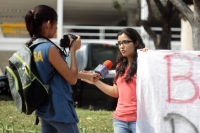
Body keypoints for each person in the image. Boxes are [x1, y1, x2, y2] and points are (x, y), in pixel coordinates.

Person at [24, 5, 100, 133]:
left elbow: (56, 73)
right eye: (56, 23)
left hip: (44, 107)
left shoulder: (32, 47)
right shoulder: (49, 48)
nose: (57, 27)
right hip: (59, 109)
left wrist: (87, 76)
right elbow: (71, 79)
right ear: (48, 24)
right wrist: (73, 50)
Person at [81, 28, 148, 133]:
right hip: (120, 120)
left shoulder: (144, 64)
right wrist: (95, 81)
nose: (122, 46)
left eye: (125, 42)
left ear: (136, 43)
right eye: (119, 43)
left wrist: (148, 55)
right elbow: (116, 92)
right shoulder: (120, 66)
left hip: (139, 120)